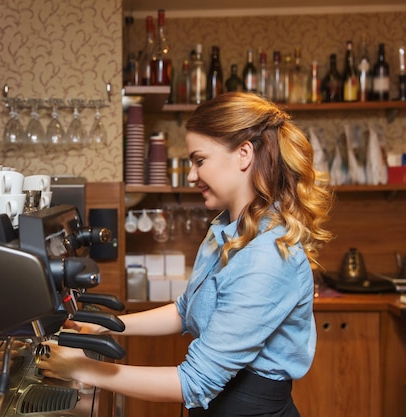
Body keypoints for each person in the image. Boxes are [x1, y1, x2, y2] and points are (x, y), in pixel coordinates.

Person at [37, 91, 333, 417]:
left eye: (199, 160)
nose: (191, 175)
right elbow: (186, 310)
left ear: (244, 155)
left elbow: (194, 382)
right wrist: (108, 326)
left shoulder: (267, 256)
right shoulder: (226, 229)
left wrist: (82, 369)